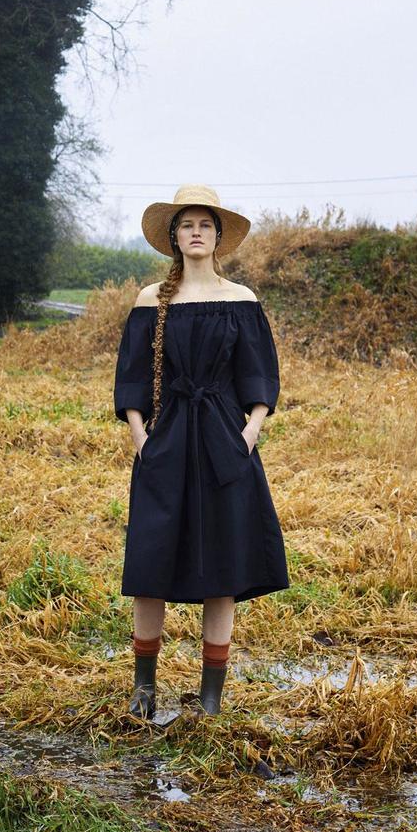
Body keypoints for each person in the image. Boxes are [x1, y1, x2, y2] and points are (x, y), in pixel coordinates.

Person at [113, 183, 290, 719]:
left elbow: (259, 372)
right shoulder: (151, 301)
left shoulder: (241, 301)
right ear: (174, 237)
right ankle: (144, 689)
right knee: (152, 559)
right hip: (164, 442)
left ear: (217, 237)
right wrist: (140, 435)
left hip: (223, 442)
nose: (196, 232)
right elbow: (133, 375)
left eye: (205, 225)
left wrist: (252, 428)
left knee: (223, 563)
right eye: (187, 224)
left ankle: (210, 699)